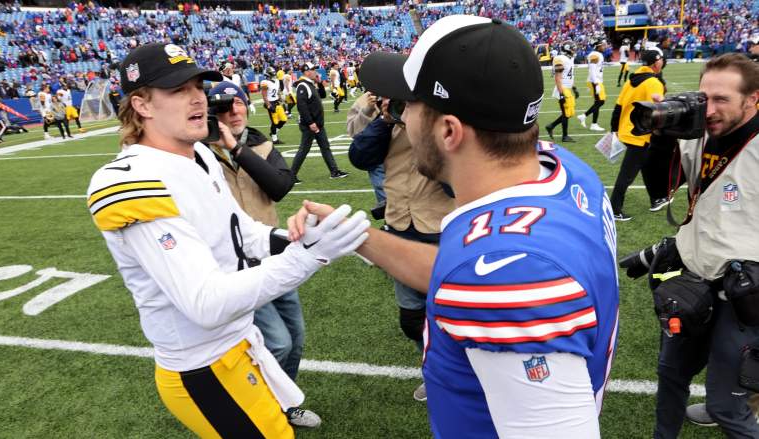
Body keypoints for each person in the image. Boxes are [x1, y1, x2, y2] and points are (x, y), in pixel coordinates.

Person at [289, 15, 620, 438]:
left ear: (448, 130)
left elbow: (495, 278)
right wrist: (358, 237)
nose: (402, 116)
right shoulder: (565, 169)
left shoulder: (509, 276)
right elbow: (470, 268)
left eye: (410, 104)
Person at [86, 43, 369, 438]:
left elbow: (241, 231)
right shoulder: (128, 180)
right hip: (203, 363)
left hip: (240, 344)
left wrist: (295, 237)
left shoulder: (198, 155)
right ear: (142, 105)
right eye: (178, 90)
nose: (198, 97)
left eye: (198, 86)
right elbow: (206, 302)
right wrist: (308, 256)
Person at [651, 53, 759, 439]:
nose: (708, 109)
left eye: (721, 100)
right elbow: (662, 192)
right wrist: (661, 137)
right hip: (694, 282)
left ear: (752, 100)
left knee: (726, 407)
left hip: (745, 295)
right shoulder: (697, 135)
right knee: (670, 375)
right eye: (703, 97)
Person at [205, 80, 322, 429]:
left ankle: (283, 404)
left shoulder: (259, 141)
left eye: (238, 103)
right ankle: (264, 407)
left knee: (296, 338)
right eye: (223, 108)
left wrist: (239, 150)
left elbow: (280, 186)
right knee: (279, 343)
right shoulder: (198, 152)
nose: (234, 112)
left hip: (274, 254)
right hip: (235, 267)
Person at [347, 90, 456, 402]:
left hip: (437, 228)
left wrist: (426, 136)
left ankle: (452, 370)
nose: (404, 111)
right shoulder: (388, 126)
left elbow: (452, 182)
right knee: (411, 319)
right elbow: (360, 157)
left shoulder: (441, 128)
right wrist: (384, 119)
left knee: (449, 311)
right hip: (399, 224)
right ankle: (433, 367)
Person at [608, 49, 666, 221]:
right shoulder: (654, 83)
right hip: (640, 134)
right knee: (627, 174)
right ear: (656, 62)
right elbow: (657, 112)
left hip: (627, 131)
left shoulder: (630, 81)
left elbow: (618, 108)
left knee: (646, 167)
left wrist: (614, 130)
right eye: (661, 60)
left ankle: (656, 198)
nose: (663, 62)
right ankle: (614, 209)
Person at [290, 62, 349, 183]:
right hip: (310, 125)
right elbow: (302, 106)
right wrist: (310, 122)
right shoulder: (303, 85)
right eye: (313, 70)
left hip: (317, 124)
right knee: (304, 149)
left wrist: (320, 83)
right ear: (306, 72)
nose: (316, 72)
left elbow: (322, 95)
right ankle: (291, 175)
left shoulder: (310, 84)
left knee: (325, 147)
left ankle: (334, 171)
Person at [545, 40, 577, 143]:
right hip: (562, 89)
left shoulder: (569, 59)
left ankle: (551, 126)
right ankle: (565, 136)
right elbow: (557, 78)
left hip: (567, 88)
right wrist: (561, 94)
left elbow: (570, 76)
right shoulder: (560, 59)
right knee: (566, 113)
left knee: (569, 113)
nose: (574, 50)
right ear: (567, 49)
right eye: (572, 48)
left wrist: (574, 88)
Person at [578, 38, 606, 132]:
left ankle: (584, 117)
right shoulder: (594, 55)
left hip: (596, 81)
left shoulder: (597, 54)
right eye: (602, 45)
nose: (604, 46)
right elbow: (592, 70)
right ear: (598, 46)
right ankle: (593, 124)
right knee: (599, 101)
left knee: (599, 102)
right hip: (595, 81)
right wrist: (596, 84)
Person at [260, 66, 287, 145]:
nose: (274, 75)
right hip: (271, 103)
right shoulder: (265, 82)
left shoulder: (277, 81)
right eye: (272, 73)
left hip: (277, 102)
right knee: (274, 122)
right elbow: (264, 96)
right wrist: (268, 105)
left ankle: (273, 132)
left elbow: (277, 92)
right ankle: (274, 139)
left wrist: (282, 100)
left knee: (283, 119)